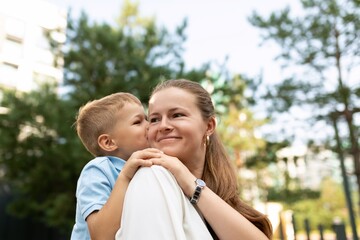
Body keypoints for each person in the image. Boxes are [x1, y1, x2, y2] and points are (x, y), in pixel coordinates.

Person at [116, 79, 273, 239]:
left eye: (177, 115)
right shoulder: (151, 176)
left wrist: (191, 183)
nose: (163, 125)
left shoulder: (223, 200)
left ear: (209, 126)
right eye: (155, 119)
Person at [70, 92, 163, 240]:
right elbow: (101, 235)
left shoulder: (148, 167)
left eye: (146, 119)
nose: (149, 125)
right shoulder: (97, 170)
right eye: (138, 122)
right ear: (109, 142)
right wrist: (125, 176)